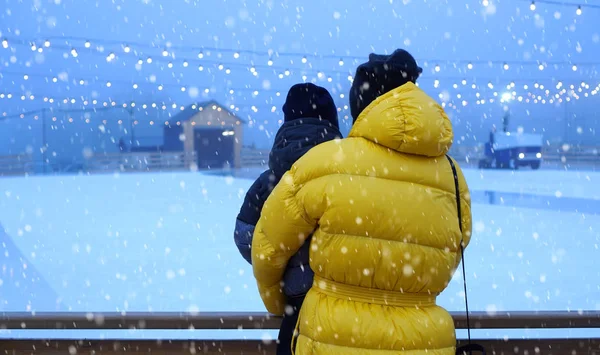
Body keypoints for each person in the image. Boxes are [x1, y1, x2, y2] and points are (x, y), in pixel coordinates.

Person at [251, 49, 472, 354]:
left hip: (332, 339)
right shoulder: (452, 175)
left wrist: (283, 305)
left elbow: (267, 245)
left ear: (360, 103)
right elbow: (455, 245)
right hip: (423, 342)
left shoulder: (327, 161)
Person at [234, 83, 342, 355]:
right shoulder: (348, 176)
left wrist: (289, 264)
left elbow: (244, 233)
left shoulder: (270, 181)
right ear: (332, 121)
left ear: (287, 122)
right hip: (347, 306)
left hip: (295, 316)